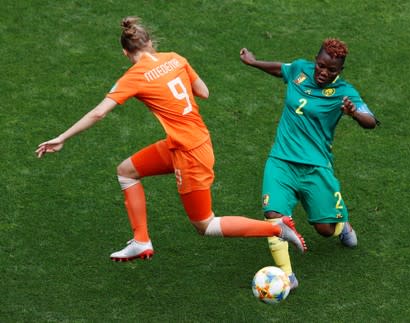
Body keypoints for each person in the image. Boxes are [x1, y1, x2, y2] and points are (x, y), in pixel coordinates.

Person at [35, 17, 307, 262]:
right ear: (150, 43)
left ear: (125, 53)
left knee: (205, 224)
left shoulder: (133, 77)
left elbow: (98, 113)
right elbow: (204, 92)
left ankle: (276, 227)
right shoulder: (176, 58)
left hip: (190, 154)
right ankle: (141, 240)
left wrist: (62, 137)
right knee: (126, 171)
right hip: (187, 142)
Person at [239, 39, 378, 288]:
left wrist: (353, 113)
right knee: (274, 216)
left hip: (315, 167)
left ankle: (342, 225)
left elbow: (371, 121)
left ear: (340, 71)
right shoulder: (300, 69)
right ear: (315, 60)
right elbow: (281, 68)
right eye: (320, 65)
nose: (323, 72)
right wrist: (253, 62)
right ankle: (287, 277)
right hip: (281, 160)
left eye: (331, 70)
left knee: (325, 229)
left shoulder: (345, 92)